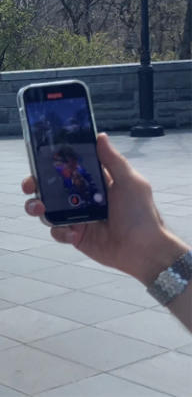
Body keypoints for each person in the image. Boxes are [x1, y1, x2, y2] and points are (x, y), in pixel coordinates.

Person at [22, 133, 192, 331]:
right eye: (58, 163)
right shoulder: (55, 180)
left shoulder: (86, 179)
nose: (62, 167)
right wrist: (149, 254)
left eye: (65, 163)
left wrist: (152, 254)